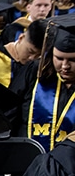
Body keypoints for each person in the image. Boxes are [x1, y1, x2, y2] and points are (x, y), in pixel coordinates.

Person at [23, 17, 75, 151]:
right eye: (58, 58)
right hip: (29, 162)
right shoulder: (37, 72)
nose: (65, 66)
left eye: (72, 60)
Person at [0, 18, 47, 88]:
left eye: (38, 55)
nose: (32, 58)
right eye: (30, 51)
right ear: (21, 38)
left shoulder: (39, 68)